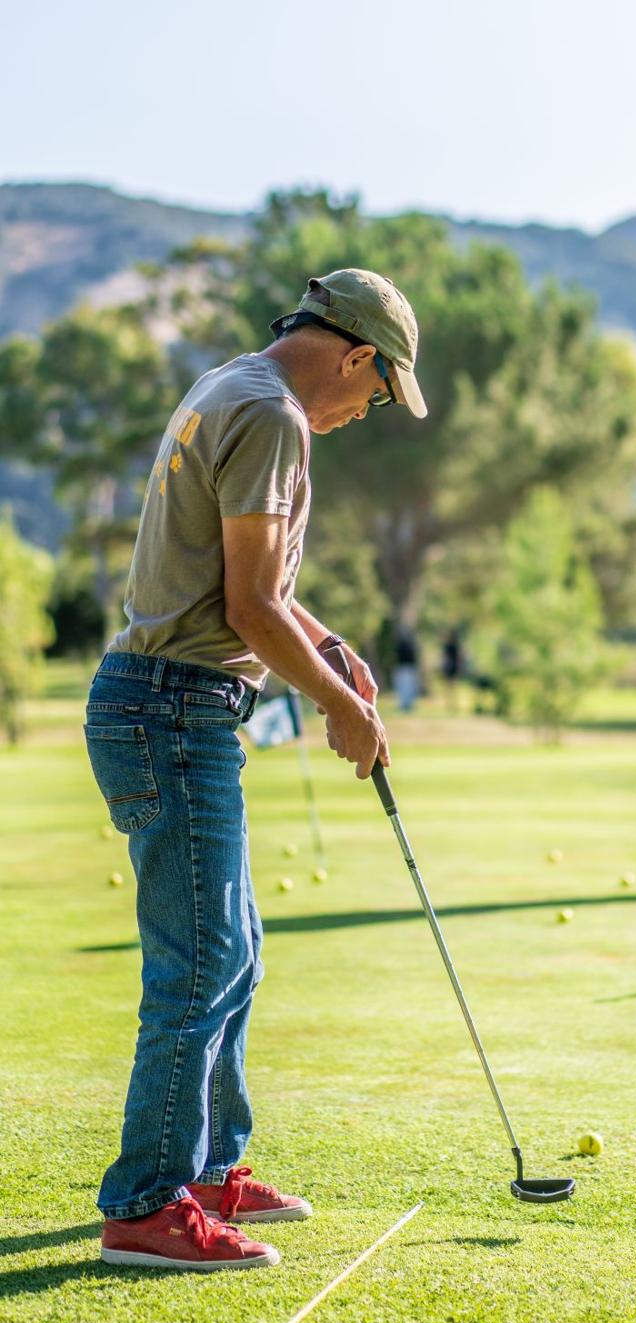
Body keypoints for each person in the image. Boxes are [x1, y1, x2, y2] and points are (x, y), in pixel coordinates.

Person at [84, 268, 427, 1271]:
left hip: (165, 700)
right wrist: (347, 708)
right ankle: (147, 1203)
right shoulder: (272, 415)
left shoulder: (230, 385)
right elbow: (246, 608)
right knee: (200, 962)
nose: (366, 412)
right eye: (375, 391)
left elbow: (259, 588)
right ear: (356, 352)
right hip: (171, 705)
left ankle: (204, 1168)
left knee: (231, 948)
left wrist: (324, 646)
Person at [392, 624, 421, 712]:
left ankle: (408, 704)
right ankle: (404, 704)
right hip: (403, 668)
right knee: (404, 688)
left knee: (408, 688)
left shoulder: (408, 645)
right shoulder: (404, 645)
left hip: (408, 668)